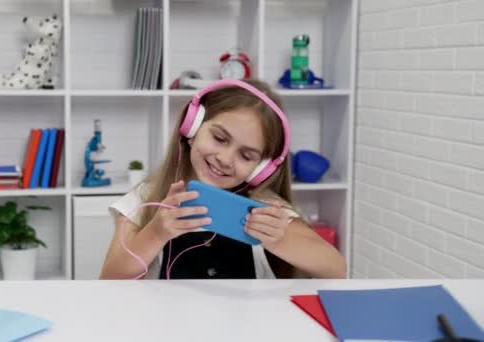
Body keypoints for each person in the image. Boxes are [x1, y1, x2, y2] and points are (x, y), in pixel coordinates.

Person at [100, 79, 346, 280]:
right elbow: (110, 279)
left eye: (246, 155)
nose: (226, 159)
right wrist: (155, 233)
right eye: (219, 138)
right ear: (192, 128)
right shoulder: (146, 197)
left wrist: (281, 240)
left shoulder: (265, 208)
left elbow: (336, 269)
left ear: (261, 168)